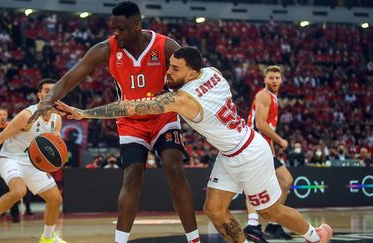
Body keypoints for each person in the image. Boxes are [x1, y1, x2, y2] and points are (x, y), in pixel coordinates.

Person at [54, 47, 333, 243]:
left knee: (270, 212)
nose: (168, 73)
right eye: (168, 66)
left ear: (191, 72)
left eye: (175, 69)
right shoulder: (212, 72)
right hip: (229, 153)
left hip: (250, 153)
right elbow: (184, 82)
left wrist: (85, 113)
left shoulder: (184, 100)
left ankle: (314, 235)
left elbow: (131, 107)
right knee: (214, 210)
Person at [28, 2, 200, 243]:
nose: (115, 33)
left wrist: (180, 95)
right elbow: (71, 77)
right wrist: (47, 100)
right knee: (132, 176)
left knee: (174, 167)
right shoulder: (105, 49)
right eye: (113, 28)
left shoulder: (165, 46)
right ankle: (120, 241)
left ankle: (194, 239)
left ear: (137, 25)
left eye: (121, 28)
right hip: (130, 121)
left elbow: (192, 78)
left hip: (163, 116)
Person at [0, 79, 66, 243]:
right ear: (39, 95)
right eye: (46, 90)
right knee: (19, 191)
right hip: (11, 158)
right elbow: (1, 136)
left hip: (33, 162)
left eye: (53, 90)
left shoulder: (56, 118)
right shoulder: (27, 116)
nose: (50, 93)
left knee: (55, 199)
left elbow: (56, 138)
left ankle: (48, 237)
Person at [244, 65, 293, 242]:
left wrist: (272, 146)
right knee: (255, 186)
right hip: (254, 146)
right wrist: (281, 141)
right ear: (265, 79)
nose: (274, 81)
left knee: (285, 181)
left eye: (277, 78)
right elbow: (261, 125)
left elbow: (265, 129)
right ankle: (253, 225)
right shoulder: (264, 95)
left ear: (281, 79)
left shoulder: (272, 97)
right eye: (271, 77)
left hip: (263, 146)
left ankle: (272, 223)